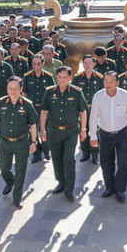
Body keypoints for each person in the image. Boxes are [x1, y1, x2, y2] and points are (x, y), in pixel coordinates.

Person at [40, 66, 88, 201]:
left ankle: (69, 188)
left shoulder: (77, 92)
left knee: (68, 158)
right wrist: (42, 130)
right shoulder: (49, 92)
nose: (62, 80)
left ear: (70, 78)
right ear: (56, 77)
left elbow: (83, 112)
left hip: (71, 130)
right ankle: (60, 182)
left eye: (65, 77)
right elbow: (44, 112)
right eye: (60, 77)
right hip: (54, 130)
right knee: (56, 157)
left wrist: (83, 130)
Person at [0, 77, 39, 208]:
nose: (13, 91)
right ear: (7, 89)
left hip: (22, 142)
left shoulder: (27, 104)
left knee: (21, 170)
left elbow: (33, 124)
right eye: (10, 88)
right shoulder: (1, 103)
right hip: (5, 142)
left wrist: (33, 142)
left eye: (16, 88)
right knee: (4, 168)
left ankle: (17, 197)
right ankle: (10, 181)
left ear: (21, 89)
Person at [88, 72, 127, 202]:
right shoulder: (98, 97)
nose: (108, 84)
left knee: (123, 164)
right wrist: (93, 136)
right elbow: (93, 118)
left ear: (117, 82)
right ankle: (109, 187)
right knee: (106, 163)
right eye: (106, 81)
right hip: (104, 135)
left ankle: (120, 189)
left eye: (111, 81)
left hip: (122, 134)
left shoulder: (126, 96)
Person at [23, 54, 55, 163]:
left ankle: (46, 151)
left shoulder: (48, 76)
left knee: (45, 131)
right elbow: (24, 93)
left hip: (45, 109)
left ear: (42, 64)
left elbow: (53, 93)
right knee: (33, 132)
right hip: (32, 108)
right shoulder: (27, 77)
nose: (36, 66)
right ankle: (36, 153)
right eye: (34, 64)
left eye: (38, 64)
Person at [74, 55, 104, 163]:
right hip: (82, 110)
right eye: (85, 63)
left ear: (93, 64)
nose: (87, 65)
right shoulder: (77, 78)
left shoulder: (99, 78)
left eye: (89, 63)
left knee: (94, 131)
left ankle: (94, 154)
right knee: (83, 130)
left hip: (95, 109)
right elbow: (74, 93)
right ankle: (85, 152)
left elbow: (102, 94)